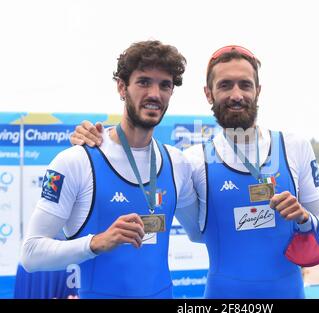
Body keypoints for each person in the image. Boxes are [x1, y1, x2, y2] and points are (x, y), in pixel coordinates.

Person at [70, 45, 319, 299]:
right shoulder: (193, 161)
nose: (236, 95)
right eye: (225, 85)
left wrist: (304, 219)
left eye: (245, 84)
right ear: (209, 94)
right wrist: (95, 142)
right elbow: (197, 232)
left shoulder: (293, 147)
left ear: (258, 91)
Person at [20, 40, 200, 299]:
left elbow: (200, 233)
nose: (155, 94)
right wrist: (95, 242)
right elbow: (30, 254)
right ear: (121, 87)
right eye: (144, 82)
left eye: (165, 85)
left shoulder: (178, 163)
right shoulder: (74, 162)